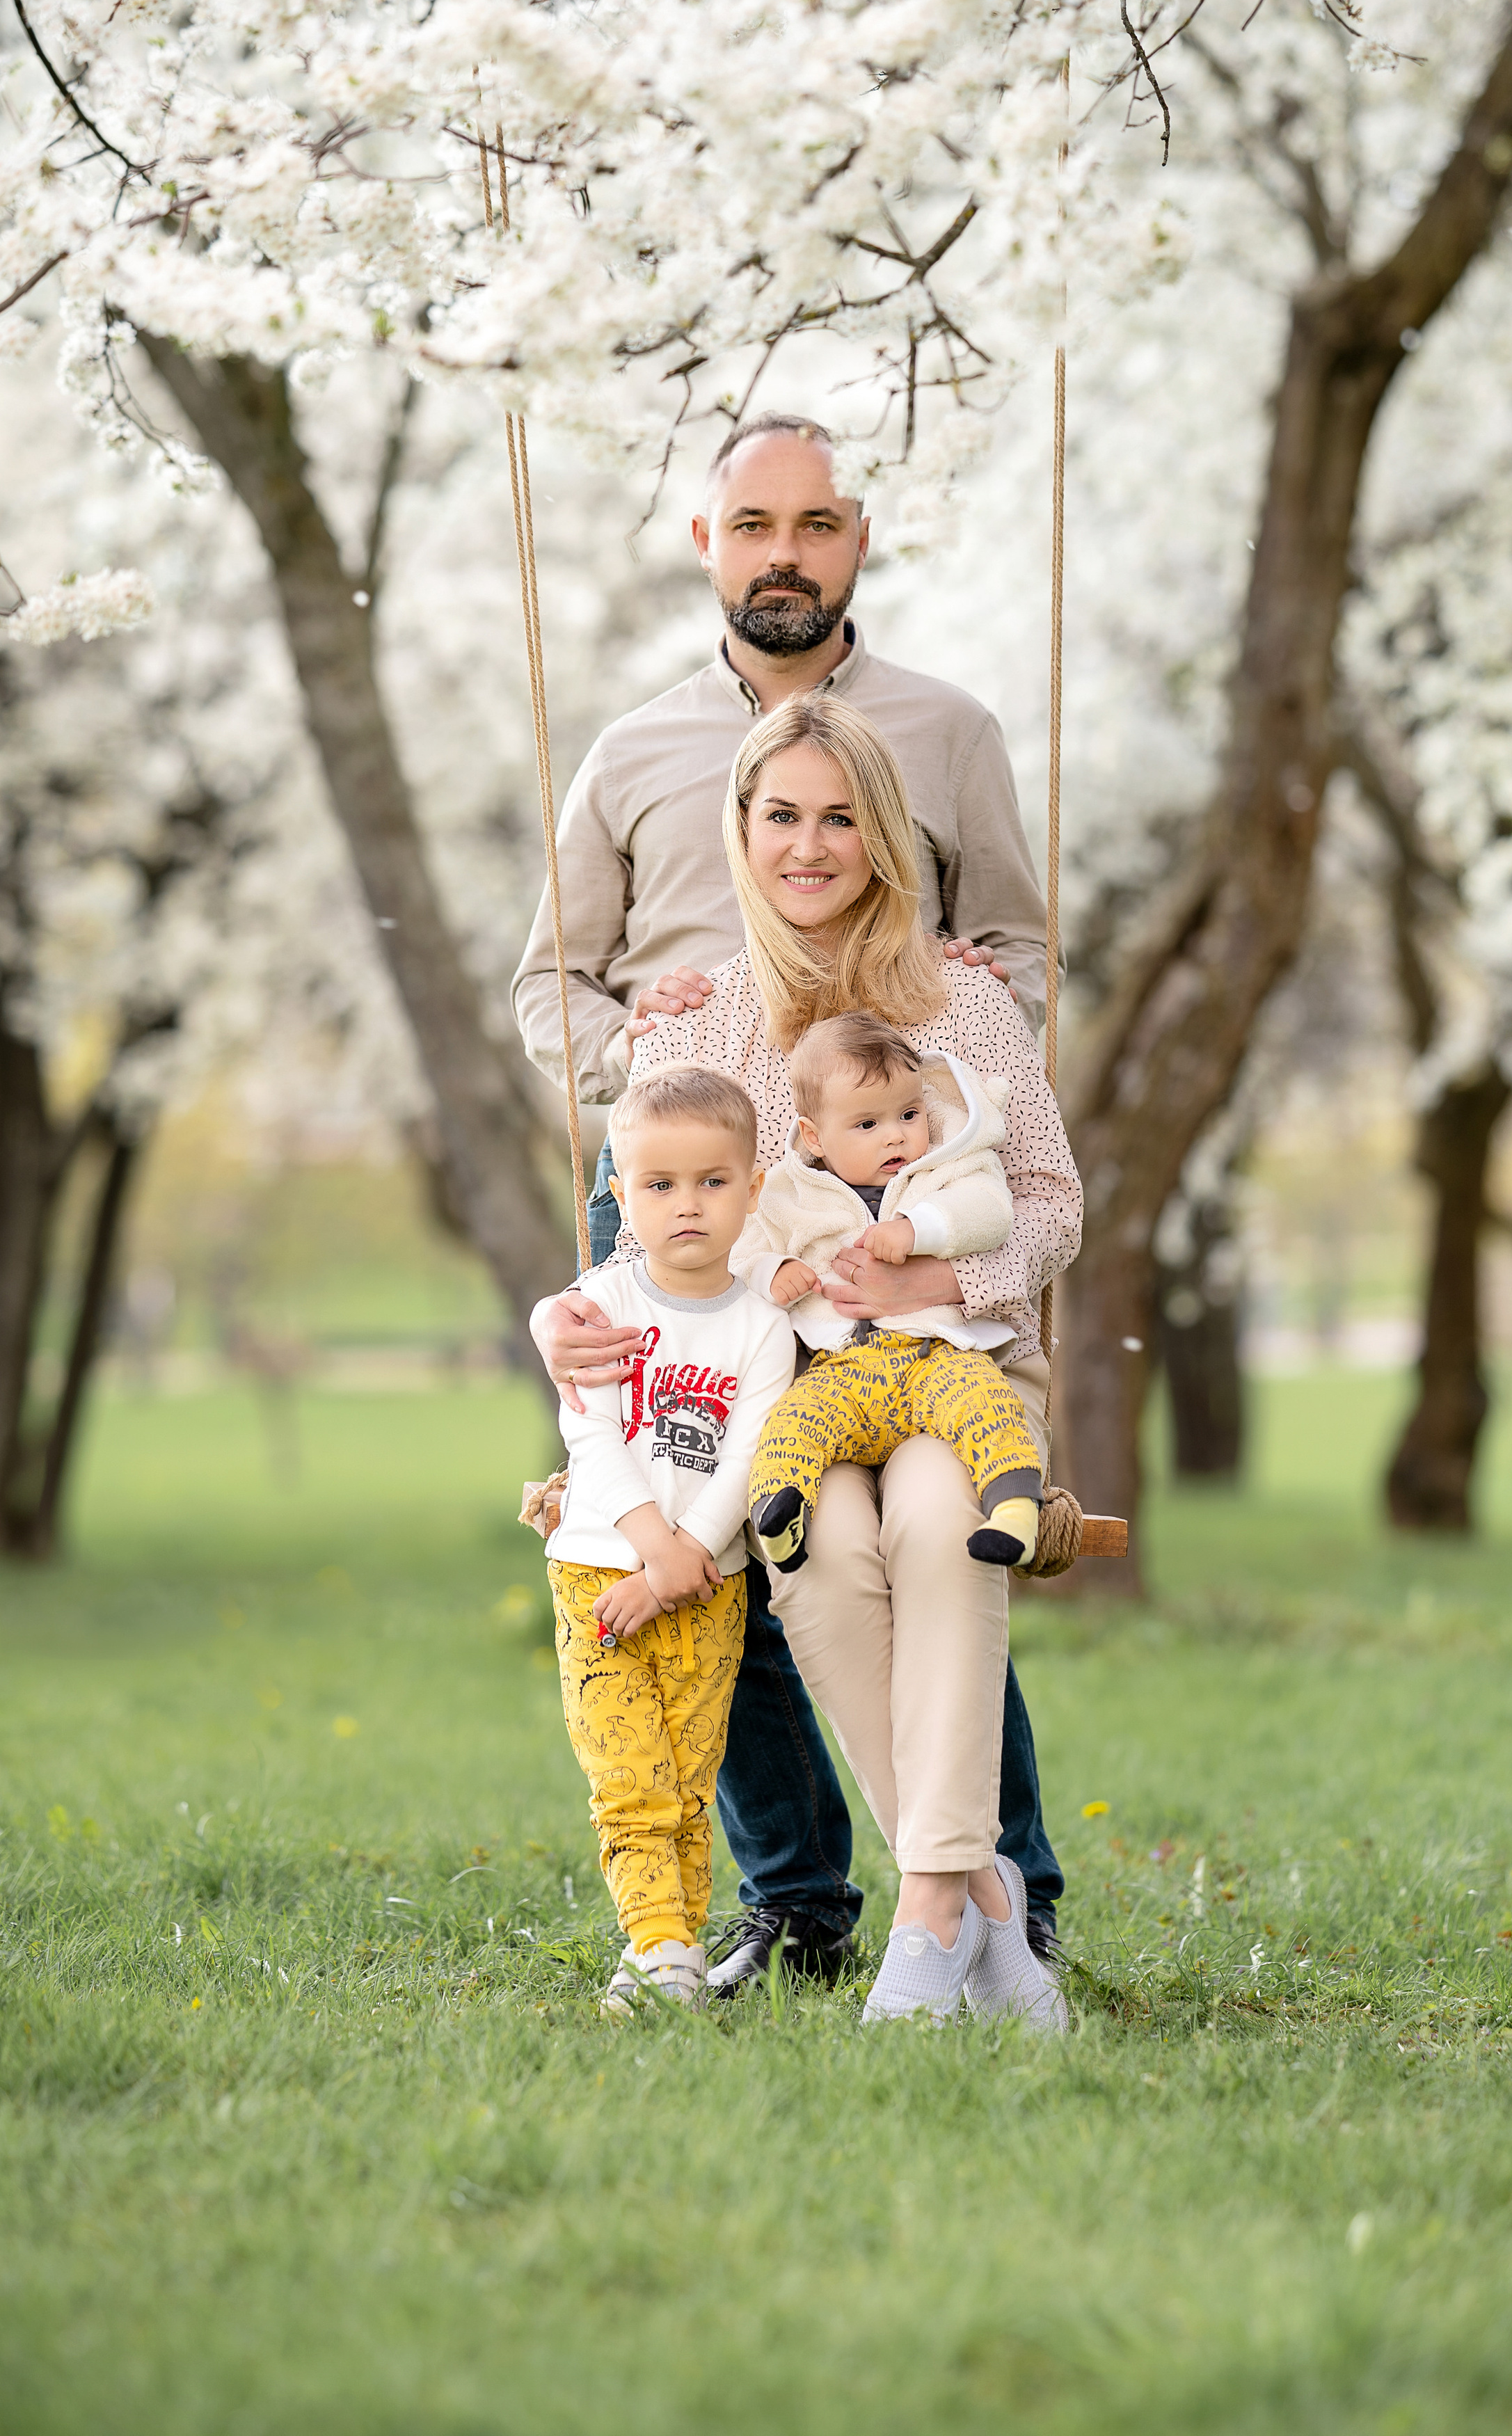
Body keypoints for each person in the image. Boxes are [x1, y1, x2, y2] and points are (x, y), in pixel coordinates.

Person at [518, 412, 1066, 1991]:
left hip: (894, 1198)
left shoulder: (945, 731)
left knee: (924, 1528)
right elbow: (547, 981)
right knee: (717, 1559)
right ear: (707, 543)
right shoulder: (630, 752)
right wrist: (653, 1062)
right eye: (751, 523)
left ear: (856, 540)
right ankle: (799, 1897)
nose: (781, 551)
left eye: (812, 523)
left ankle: (998, 1883)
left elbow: (1022, 949)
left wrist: (960, 1029)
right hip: (695, 1199)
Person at [606, 693, 1078, 2026]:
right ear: (740, 830)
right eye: (780, 816)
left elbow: (1052, 1202)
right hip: (798, 1388)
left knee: (939, 1525)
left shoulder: (964, 1003)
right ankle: (981, 1898)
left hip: (962, 1370)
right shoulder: (698, 1024)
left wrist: (940, 1273)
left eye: (840, 816)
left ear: (883, 831)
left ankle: (932, 1908)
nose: (810, 846)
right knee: (817, 1548)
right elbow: (665, 1230)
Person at [543, 1064, 795, 2014]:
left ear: (753, 1191)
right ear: (619, 1195)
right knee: (627, 1770)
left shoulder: (762, 1329)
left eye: (712, 1182)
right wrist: (654, 1554)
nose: (686, 1206)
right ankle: (656, 1943)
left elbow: (747, 1460)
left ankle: (677, 1954)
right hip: (599, 1572)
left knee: (688, 1776)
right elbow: (591, 1434)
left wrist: (681, 1564)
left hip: (709, 1586)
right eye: (659, 1185)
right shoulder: (604, 1307)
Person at [737, 1011, 1044, 1574]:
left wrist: (919, 1228)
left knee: (987, 1406)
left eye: (908, 1114)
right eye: (867, 1125)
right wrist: (772, 1269)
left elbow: (991, 1213)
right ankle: (780, 1514)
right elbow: (744, 1245)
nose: (897, 1135)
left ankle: (1015, 1510)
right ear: (815, 1137)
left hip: (937, 1357)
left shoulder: (949, 1167)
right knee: (793, 1422)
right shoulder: (789, 1191)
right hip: (840, 1370)